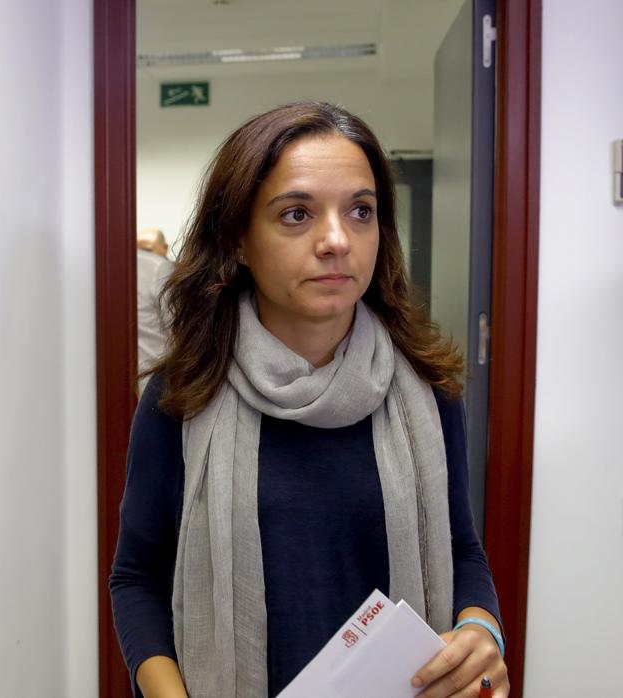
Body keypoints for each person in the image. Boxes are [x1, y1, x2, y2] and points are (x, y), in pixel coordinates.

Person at [109, 102, 508, 698]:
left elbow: (460, 549)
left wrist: (481, 630)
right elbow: (137, 577)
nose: (337, 240)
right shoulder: (186, 392)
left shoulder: (428, 390)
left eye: (361, 211)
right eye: (297, 214)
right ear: (239, 240)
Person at [136, 227, 174, 395]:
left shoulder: (124, 269)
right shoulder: (160, 268)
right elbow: (181, 332)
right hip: (160, 383)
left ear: (164, 248)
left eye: (147, 249)